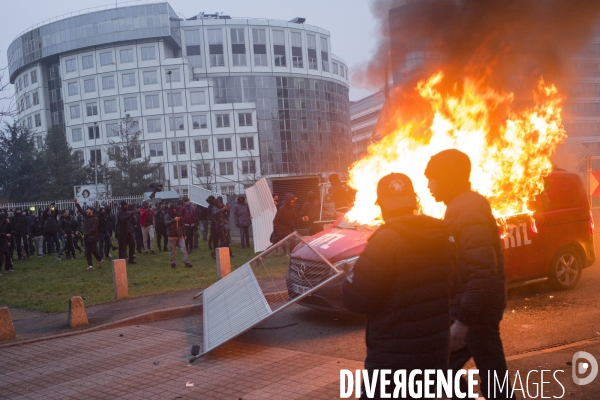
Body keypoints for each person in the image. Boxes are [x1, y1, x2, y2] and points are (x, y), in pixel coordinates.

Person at [342, 173, 455, 399]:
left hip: (391, 359)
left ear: (382, 206)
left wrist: (349, 277)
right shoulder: (443, 234)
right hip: (435, 351)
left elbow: (355, 299)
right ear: (414, 201)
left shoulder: (384, 241)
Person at [425, 149, 513, 400]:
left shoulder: (468, 209)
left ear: (449, 177)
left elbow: (483, 271)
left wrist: (462, 322)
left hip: (475, 313)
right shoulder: (461, 206)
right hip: (476, 310)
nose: (429, 185)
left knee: (439, 370)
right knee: (493, 379)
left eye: (433, 178)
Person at [73, 199, 103, 271]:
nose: (87, 210)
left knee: (94, 251)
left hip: (93, 237)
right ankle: (90, 266)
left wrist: (85, 234)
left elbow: (93, 229)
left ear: (92, 211)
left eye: (89, 209)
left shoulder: (95, 219)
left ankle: (99, 260)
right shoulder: (87, 216)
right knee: (87, 252)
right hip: (87, 237)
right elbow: (81, 210)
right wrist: (76, 203)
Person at [165, 202, 192, 268]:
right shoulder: (167, 216)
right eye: (173, 209)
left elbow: (182, 225)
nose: (175, 210)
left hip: (179, 235)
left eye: (175, 209)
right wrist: (174, 220)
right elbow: (166, 223)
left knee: (184, 249)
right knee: (173, 251)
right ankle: (173, 263)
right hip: (172, 235)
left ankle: (186, 262)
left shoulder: (178, 215)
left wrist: (184, 234)